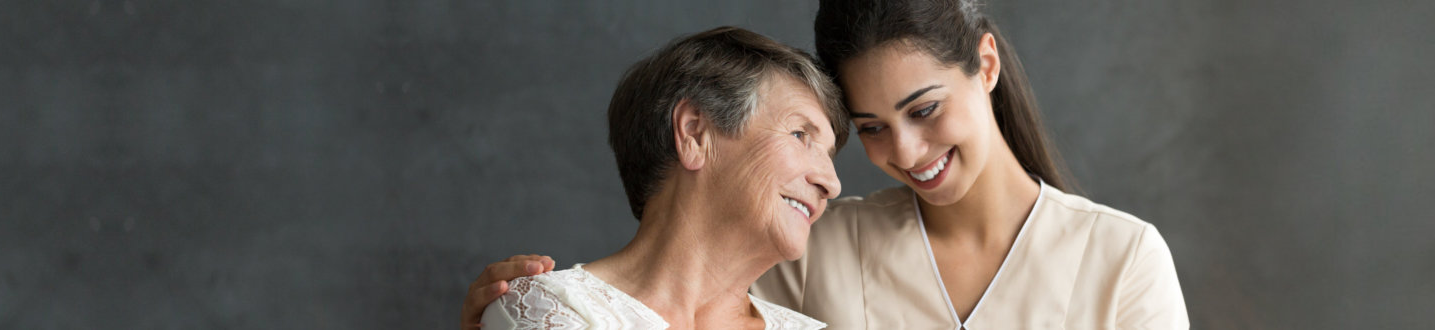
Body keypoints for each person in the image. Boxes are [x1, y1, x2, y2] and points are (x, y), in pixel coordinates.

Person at [467, 0, 1190, 328]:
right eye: (870, 127)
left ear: (987, 63)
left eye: (925, 108)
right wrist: (530, 314)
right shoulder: (814, 245)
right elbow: (668, 282)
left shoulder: (1122, 259)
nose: (902, 154)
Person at [469, 26, 850, 330]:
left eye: (829, 155)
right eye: (801, 135)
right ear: (695, 134)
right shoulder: (551, 308)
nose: (831, 183)